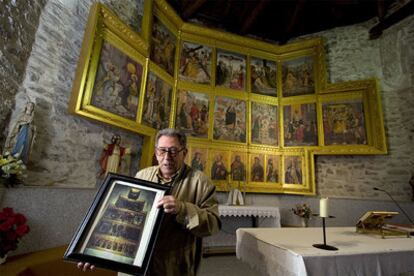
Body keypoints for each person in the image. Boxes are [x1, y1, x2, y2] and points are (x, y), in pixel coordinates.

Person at [79, 128, 221, 276]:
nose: (167, 157)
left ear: (184, 153)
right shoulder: (142, 175)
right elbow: (121, 215)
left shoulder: (200, 182)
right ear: (155, 151)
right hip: (134, 262)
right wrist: (96, 254)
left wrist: (183, 209)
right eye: (162, 150)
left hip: (172, 264)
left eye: (173, 151)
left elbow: (214, 225)